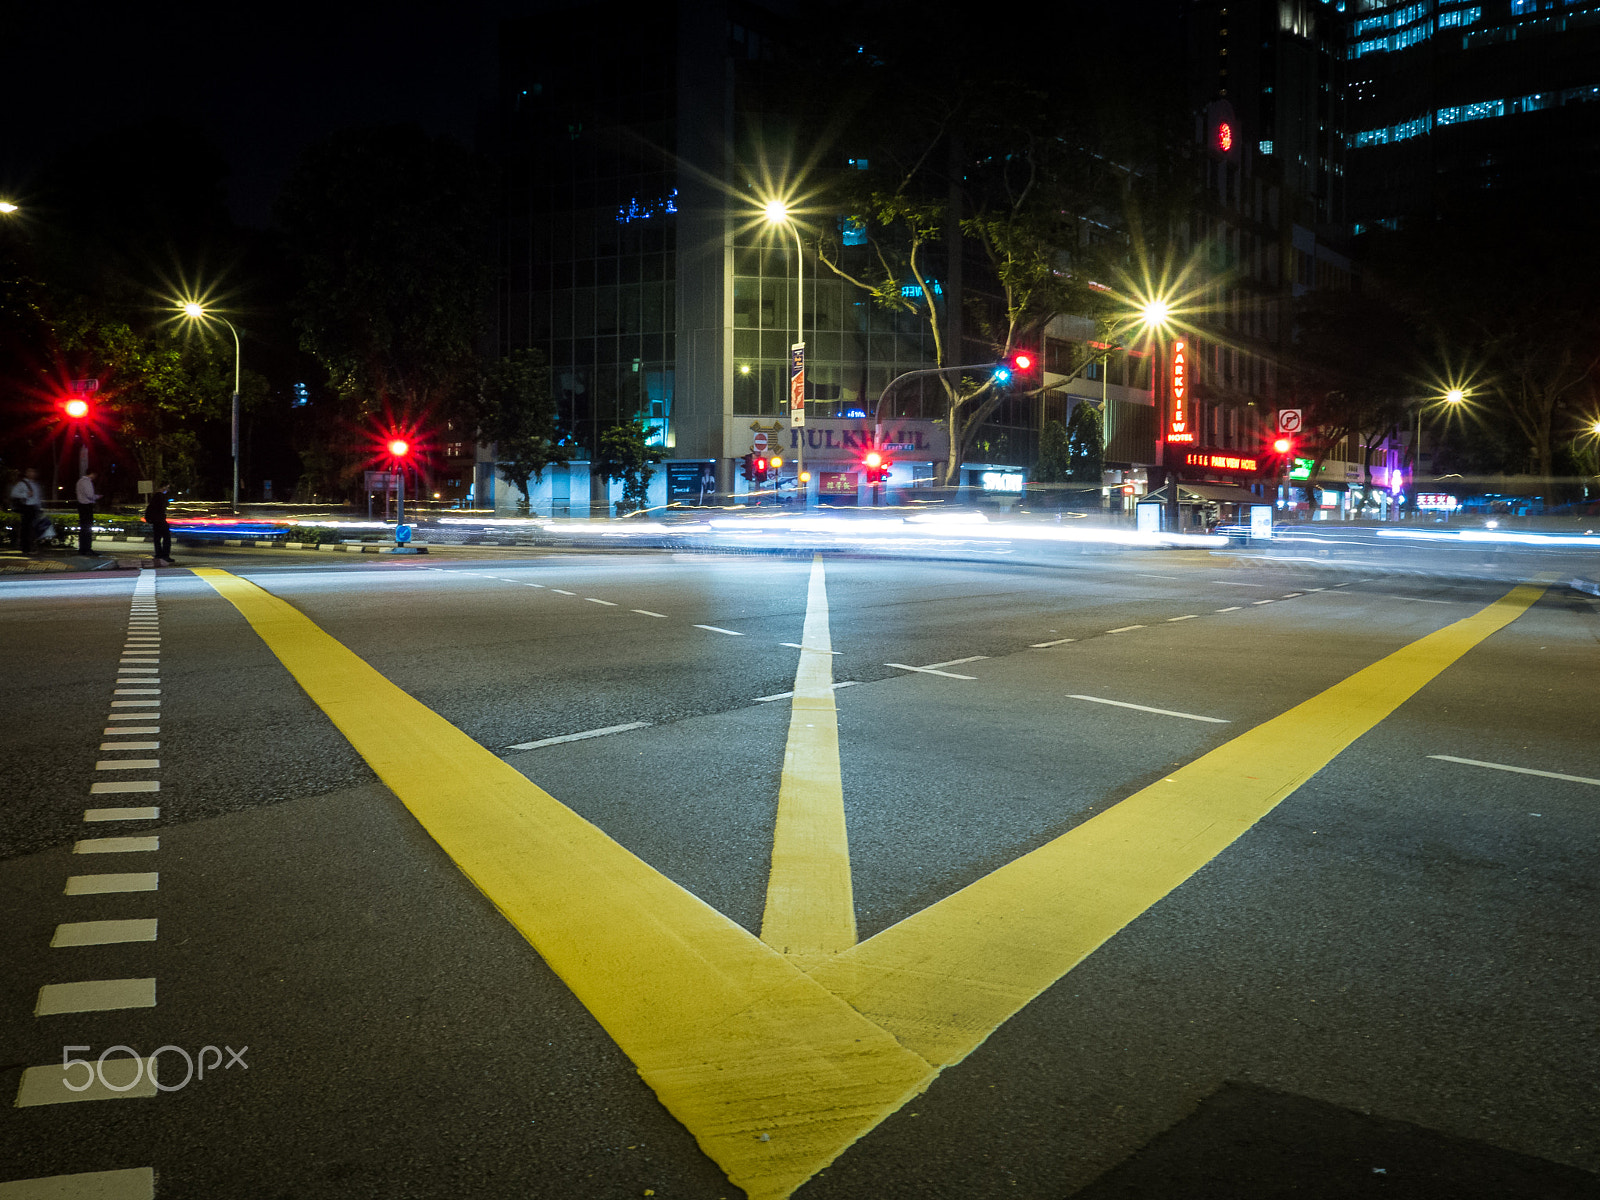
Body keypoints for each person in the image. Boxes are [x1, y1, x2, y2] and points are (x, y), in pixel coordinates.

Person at [9, 467, 44, 554]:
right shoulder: (22, 483)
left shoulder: (35, 484)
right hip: (27, 507)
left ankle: (31, 546)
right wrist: (26, 494)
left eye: (33, 472)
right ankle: (26, 548)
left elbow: (37, 498)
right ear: (26, 473)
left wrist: (39, 508)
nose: (32, 474)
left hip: (34, 508)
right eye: (30, 472)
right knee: (26, 528)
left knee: (33, 528)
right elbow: (14, 493)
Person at [144, 483, 173, 565]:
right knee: (166, 538)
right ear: (163, 487)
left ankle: (159, 555)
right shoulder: (160, 496)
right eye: (167, 487)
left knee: (157, 539)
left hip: (156, 521)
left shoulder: (154, 496)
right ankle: (165, 555)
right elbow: (165, 505)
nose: (167, 490)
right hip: (160, 520)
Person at [75, 471, 101, 555]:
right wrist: (98, 497)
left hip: (81, 505)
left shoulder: (79, 481)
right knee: (87, 528)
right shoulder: (86, 482)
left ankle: (82, 548)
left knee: (83, 528)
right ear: (92, 474)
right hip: (86, 506)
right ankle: (87, 549)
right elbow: (90, 495)